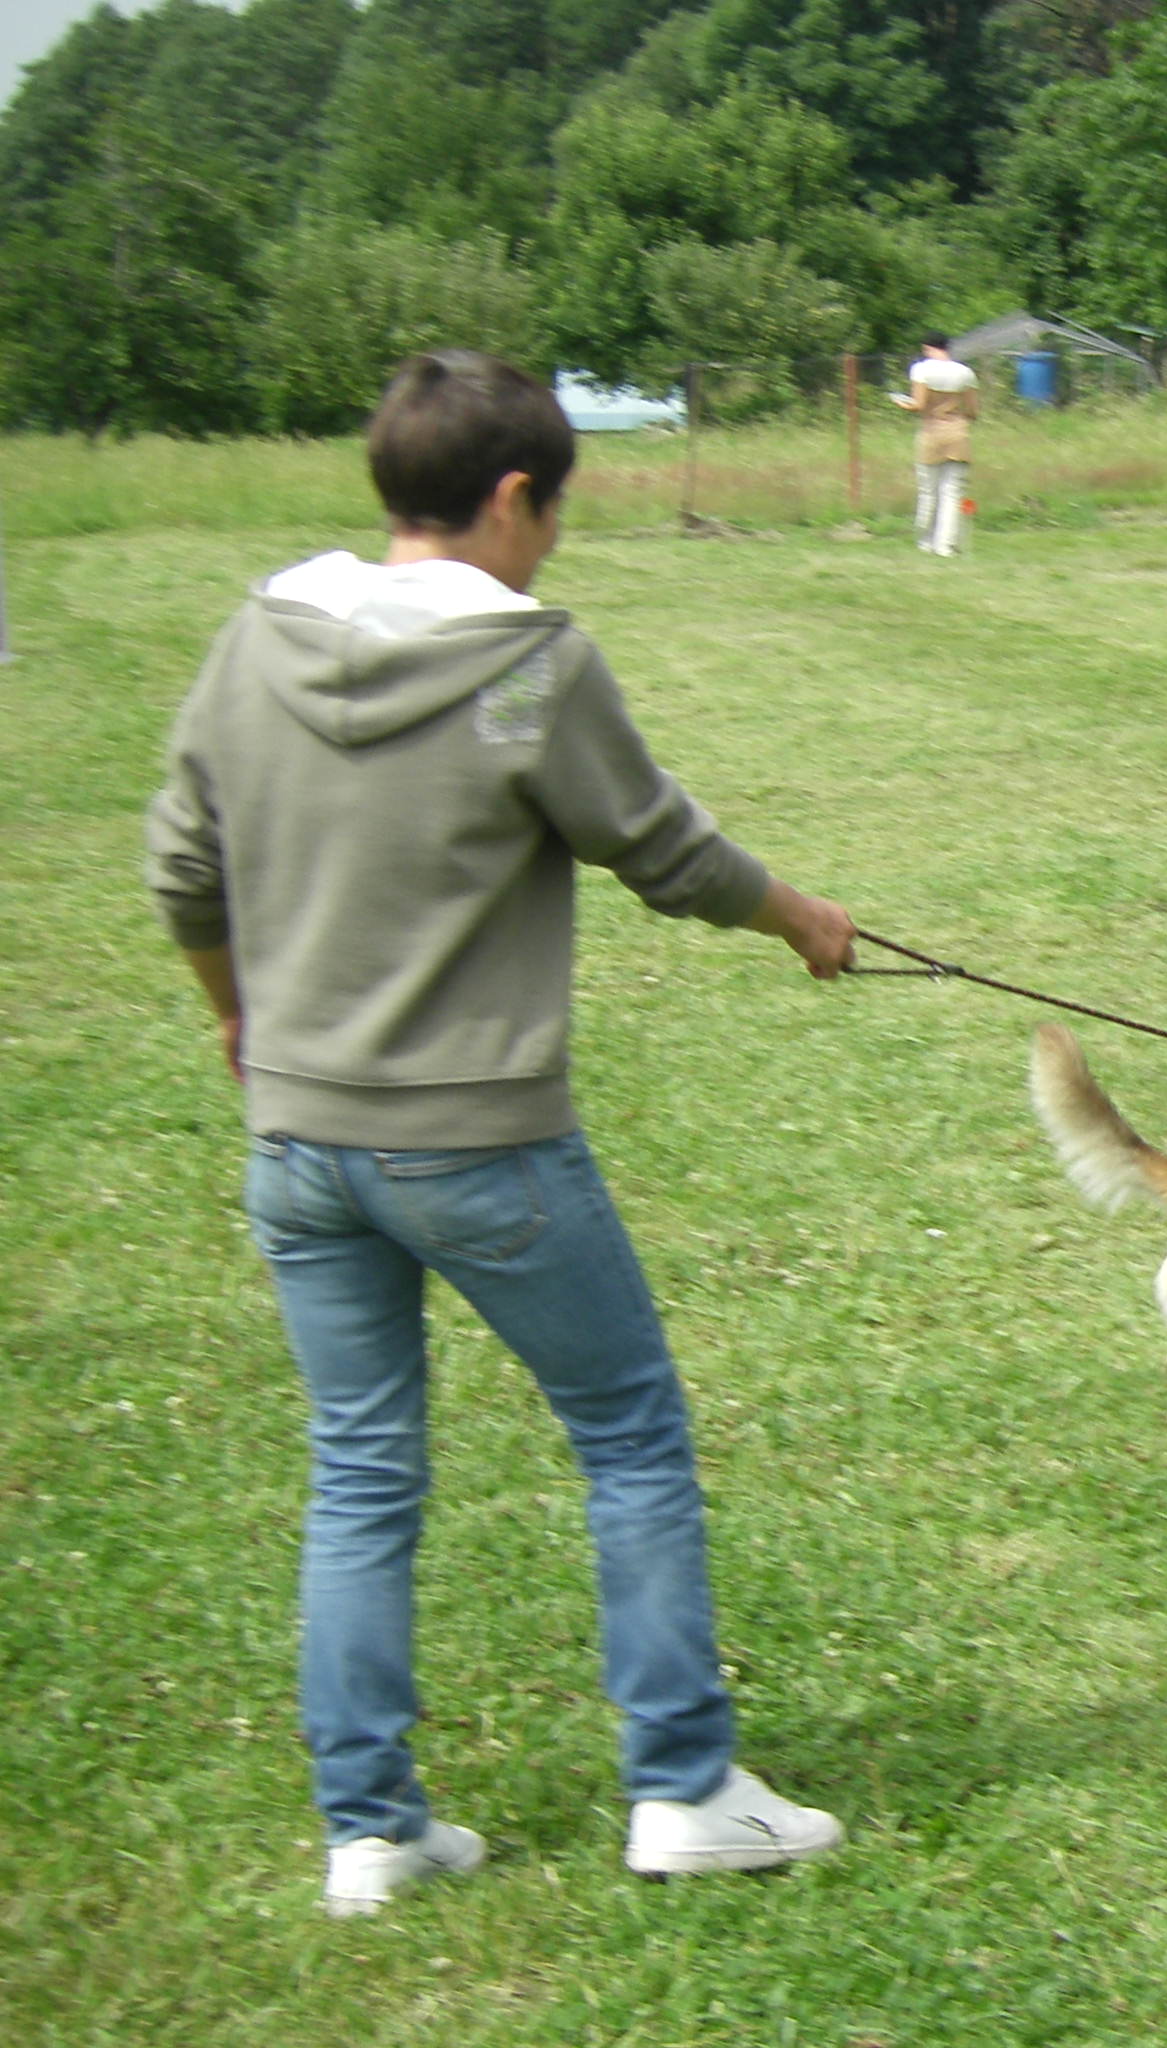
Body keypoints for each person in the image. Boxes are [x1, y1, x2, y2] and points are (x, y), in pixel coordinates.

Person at [144, 351, 858, 1916]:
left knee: (359, 1473)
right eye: (556, 512)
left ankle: (372, 1832)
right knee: (631, 1440)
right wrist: (800, 915)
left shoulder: (252, 639)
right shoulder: (528, 664)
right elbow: (658, 845)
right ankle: (683, 1790)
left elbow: (183, 873)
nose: (555, 547)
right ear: (516, 495)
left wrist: (235, 1018)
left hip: (298, 1144)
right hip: (480, 1149)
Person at [893, 333, 979, 556]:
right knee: (952, 492)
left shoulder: (921, 369)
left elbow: (919, 404)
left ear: (927, 347)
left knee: (928, 491)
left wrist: (900, 403)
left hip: (931, 433)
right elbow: (972, 412)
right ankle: (946, 545)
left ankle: (926, 541)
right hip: (957, 434)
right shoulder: (965, 372)